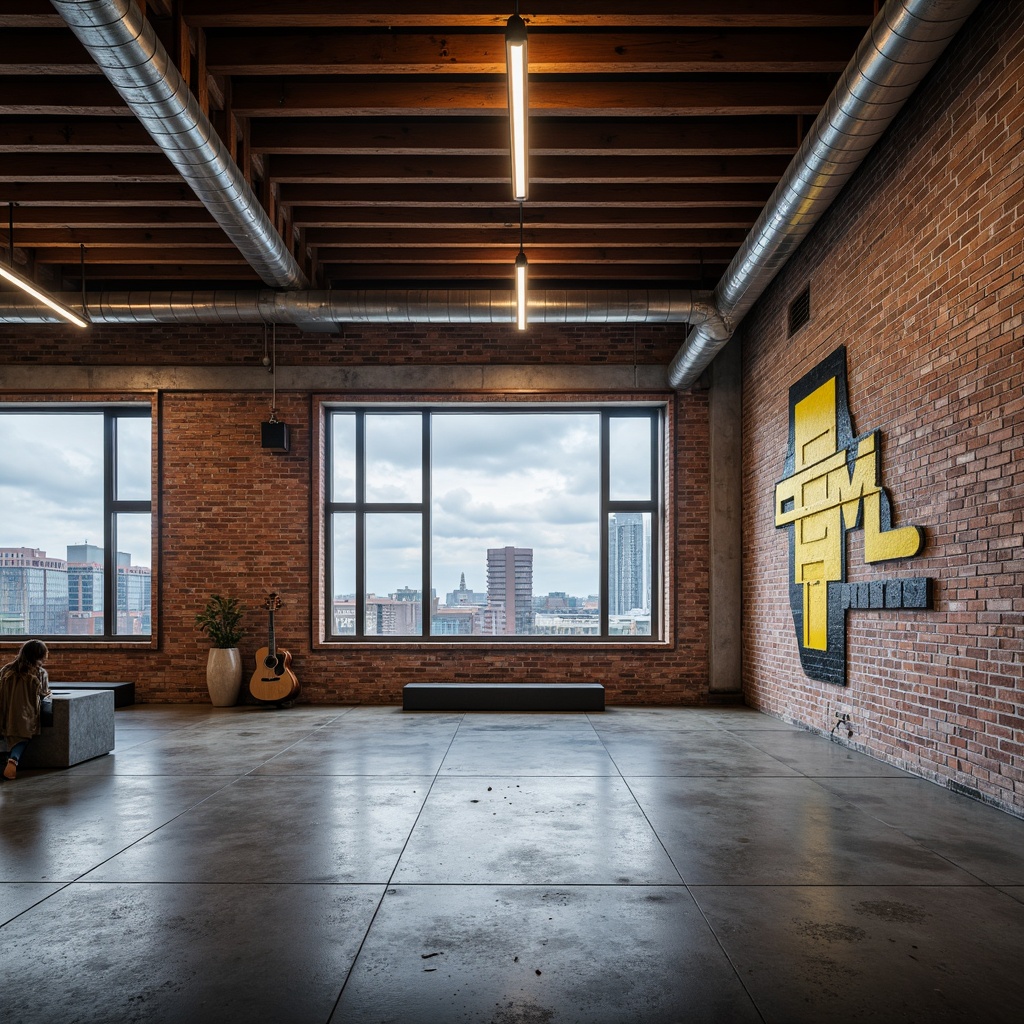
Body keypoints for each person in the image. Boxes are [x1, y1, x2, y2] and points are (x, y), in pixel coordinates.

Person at [1, 639, 52, 780]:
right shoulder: (39, 673)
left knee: (9, 734)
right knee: (23, 737)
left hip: (5, 710)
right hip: (25, 712)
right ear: (41, 656)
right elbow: (44, 694)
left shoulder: (7, 669)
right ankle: (13, 760)